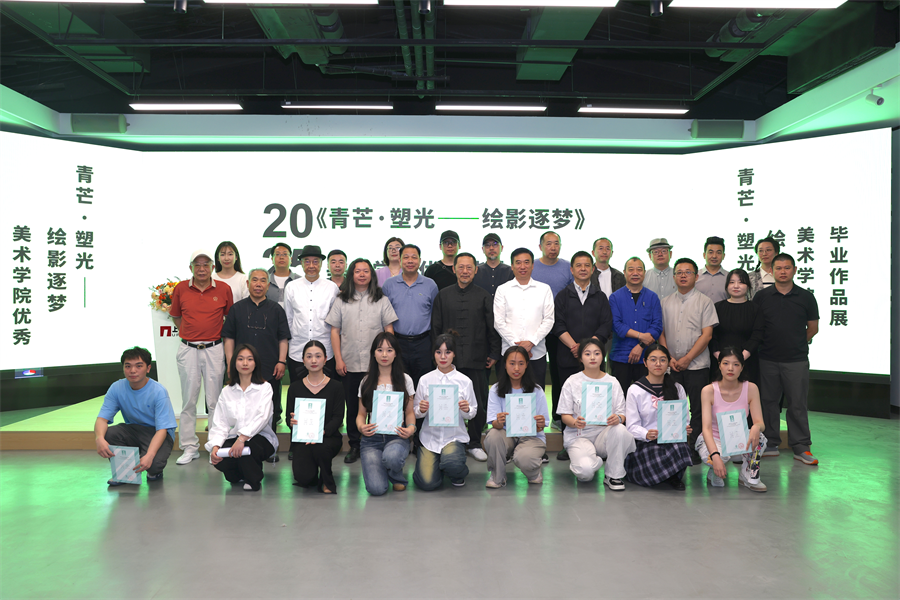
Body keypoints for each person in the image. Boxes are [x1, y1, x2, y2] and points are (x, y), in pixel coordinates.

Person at [431, 252, 502, 462]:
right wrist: (437, 355)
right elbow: (435, 327)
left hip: (476, 356)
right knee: (447, 400)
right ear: (454, 269)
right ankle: (450, 440)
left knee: (477, 401)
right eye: (460, 267)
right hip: (448, 360)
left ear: (475, 270)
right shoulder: (443, 295)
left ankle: (474, 443)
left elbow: (492, 327)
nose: (464, 271)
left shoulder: (483, 296)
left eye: (469, 267)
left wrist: (494, 353)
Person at [326, 258, 398, 464]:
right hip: (349, 363)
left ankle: (378, 441)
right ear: (352, 274)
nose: (362, 275)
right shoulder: (341, 300)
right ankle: (355, 445)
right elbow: (335, 331)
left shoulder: (381, 299)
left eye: (366, 271)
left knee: (377, 404)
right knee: (352, 406)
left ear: (371, 275)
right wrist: (338, 359)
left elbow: (389, 330)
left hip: (376, 365)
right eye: (358, 271)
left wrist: (388, 357)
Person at [753, 253, 819, 465]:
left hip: (796, 360)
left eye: (787, 268)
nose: (783, 271)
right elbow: (756, 327)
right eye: (778, 268)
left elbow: (813, 328)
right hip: (767, 359)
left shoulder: (806, 297)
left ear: (795, 270)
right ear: (771, 271)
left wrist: (795, 342)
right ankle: (770, 443)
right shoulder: (762, 297)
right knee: (768, 402)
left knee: (797, 403)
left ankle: (801, 446)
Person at [169, 249, 233, 465]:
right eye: (198, 265)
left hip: (214, 348)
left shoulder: (224, 289)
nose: (202, 269)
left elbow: (228, 318)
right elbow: (176, 316)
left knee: (215, 401)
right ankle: (189, 447)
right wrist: (192, 334)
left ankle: (215, 446)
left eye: (206, 265)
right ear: (191, 268)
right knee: (189, 401)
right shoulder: (181, 288)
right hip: (188, 348)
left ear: (213, 268)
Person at [552, 250, 613, 460]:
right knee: (567, 401)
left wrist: (588, 348)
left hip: (594, 359)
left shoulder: (600, 296)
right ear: (572, 269)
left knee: (595, 399)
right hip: (567, 355)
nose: (583, 269)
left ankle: (597, 440)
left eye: (587, 265)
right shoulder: (563, 295)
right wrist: (575, 347)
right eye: (578, 265)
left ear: (593, 269)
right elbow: (558, 324)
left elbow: (606, 324)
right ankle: (567, 444)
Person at [222, 267, 290, 449]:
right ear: (248, 283)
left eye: (262, 280)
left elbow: (283, 338)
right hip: (242, 368)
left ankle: (268, 447)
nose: (258, 284)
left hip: (270, 367)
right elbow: (229, 338)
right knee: (242, 407)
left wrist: (281, 361)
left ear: (268, 285)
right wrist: (230, 363)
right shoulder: (237, 309)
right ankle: (240, 443)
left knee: (269, 409)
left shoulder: (276, 309)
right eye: (254, 280)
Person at [659, 257, 718, 458]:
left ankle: (694, 447)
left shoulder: (705, 302)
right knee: (672, 407)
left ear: (696, 276)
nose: (683, 276)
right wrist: (669, 358)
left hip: (698, 365)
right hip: (671, 365)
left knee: (698, 409)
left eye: (688, 272)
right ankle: (674, 446)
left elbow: (707, 335)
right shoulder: (665, 302)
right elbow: (661, 333)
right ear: (674, 276)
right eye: (679, 272)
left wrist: (687, 358)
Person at [557, 337, 635, 490]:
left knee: (620, 429)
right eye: (587, 354)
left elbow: (622, 413)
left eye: (597, 353)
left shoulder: (612, 382)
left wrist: (618, 418)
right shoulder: (572, 381)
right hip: (579, 435)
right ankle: (594, 461)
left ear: (603, 356)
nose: (592, 357)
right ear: (580, 358)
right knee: (585, 474)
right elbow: (564, 415)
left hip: (604, 434)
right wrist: (575, 422)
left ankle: (613, 475)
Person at [95, 347, 176, 486]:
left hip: (158, 433)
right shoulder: (116, 388)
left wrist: (149, 455)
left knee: (153, 465)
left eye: (139, 366)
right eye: (128, 366)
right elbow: (102, 419)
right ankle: (124, 473)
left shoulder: (159, 391)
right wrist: (99, 438)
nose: (132, 371)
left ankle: (153, 468)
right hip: (134, 430)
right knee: (109, 433)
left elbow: (162, 430)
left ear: (148, 368)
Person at [206, 344, 279, 492]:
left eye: (250, 359)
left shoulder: (265, 388)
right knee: (221, 459)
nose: (245, 363)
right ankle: (241, 473)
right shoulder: (227, 391)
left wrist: (242, 439)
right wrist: (215, 446)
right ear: (234, 363)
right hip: (235, 438)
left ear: (256, 363)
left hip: (261, 438)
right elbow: (220, 423)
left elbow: (262, 418)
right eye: (240, 359)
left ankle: (254, 480)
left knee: (247, 449)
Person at [623, 343, 692, 490]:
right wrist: (646, 434)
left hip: (670, 439)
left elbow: (685, 418)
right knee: (655, 453)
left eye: (662, 360)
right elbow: (631, 426)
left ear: (668, 363)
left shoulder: (677, 388)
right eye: (653, 360)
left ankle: (672, 477)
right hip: (645, 442)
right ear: (645, 362)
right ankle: (668, 475)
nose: (658, 364)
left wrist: (684, 428)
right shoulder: (635, 390)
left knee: (681, 447)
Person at [413, 333, 477, 490]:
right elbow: (415, 411)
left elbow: (473, 411)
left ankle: (456, 471)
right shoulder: (425, 380)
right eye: (438, 352)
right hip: (430, 438)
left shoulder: (465, 381)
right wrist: (421, 410)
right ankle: (439, 468)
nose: (443, 357)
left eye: (448, 352)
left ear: (454, 354)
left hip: (453, 437)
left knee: (453, 464)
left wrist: (466, 409)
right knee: (427, 483)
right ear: (433, 354)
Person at [697, 348, 768, 492]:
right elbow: (706, 428)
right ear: (719, 365)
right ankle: (714, 470)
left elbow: (760, 423)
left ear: (742, 367)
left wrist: (756, 427)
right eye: (726, 363)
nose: (730, 368)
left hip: (737, 439)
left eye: (736, 364)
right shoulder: (708, 391)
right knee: (718, 458)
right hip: (714, 440)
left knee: (760, 438)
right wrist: (715, 455)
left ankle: (748, 473)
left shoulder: (751, 388)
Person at [356, 332, 417, 496]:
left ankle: (396, 475)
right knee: (376, 489)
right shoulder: (366, 381)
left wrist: (411, 428)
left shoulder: (405, 380)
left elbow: (409, 412)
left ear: (396, 353)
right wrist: (361, 427)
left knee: (392, 457)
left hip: (397, 436)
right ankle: (385, 468)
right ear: (373, 353)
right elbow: (361, 414)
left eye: (389, 350)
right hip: (371, 439)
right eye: (379, 350)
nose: (384, 355)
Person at [483, 346, 549, 487]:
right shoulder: (495, 389)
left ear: (527, 365)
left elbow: (541, 427)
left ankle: (534, 472)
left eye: (521, 363)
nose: (516, 368)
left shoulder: (537, 390)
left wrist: (540, 424)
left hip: (531, 436)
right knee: (493, 436)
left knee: (525, 458)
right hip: (506, 433)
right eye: (512, 363)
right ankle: (497, 476)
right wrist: (499, 422)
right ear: (505, 365)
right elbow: (494, 424)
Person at [531, 231, 573, 447]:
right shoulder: (532, 266)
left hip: (560, 328)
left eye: (556, 243)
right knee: (534, 373)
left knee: (558, 372)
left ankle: (558, 416)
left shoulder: (567, 267)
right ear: (541, 247)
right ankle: (530, 417)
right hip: (535, 328)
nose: (553, 247)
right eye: (548, 243)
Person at [286, 341, 344, 494]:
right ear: (303, 360)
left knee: (321, 447)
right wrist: (292, 422)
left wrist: (322, 432)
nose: (313, 360)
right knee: (304, 478)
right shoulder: (295, 387)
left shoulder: (336, 386)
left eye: (318, 356)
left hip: (328, 437)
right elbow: (288, 417)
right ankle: (313, 474)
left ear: (325, 359)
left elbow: (338, 417)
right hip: (303, 439)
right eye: (309, 356)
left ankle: (327, 480)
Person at [493, 247, 554, 388]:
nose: (522, 266)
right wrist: (518, 347)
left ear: (532, 265)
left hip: (536, 353)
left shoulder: (544, 289)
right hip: (509, 354)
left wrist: (531, 342)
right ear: (512, 266)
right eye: (518, 263)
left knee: (536, 393)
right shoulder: (502, 289)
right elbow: (498, 322)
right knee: (508, 393)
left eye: (526, 262)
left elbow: (549, 320)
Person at [381, 244, 439, 386]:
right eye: (406, 257)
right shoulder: (389, 285)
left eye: (414, 257)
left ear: (420, 261)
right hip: (397, 342)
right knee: (399, 383)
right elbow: (383, 315)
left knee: (424, 383)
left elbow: (435, 314)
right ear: (400, 260)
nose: (410, 261)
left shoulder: (430, 285)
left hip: (423, 343)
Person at [283, 245, 340, 383]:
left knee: (325, 390)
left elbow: (336, 322)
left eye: (315, 261)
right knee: (297, 390)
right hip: (297, 351)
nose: (311, 265)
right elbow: (289, 319)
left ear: (321, 264)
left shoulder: (332, 287)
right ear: (301, 263)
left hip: (325, 350)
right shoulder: (291, 287)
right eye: (307, 261)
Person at [608, 257, 662, 394]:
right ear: (624, 273)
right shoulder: (615, 297)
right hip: (620, 357)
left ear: (644, 273)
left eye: (639, 269)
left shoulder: (653, 297)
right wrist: (641, 336)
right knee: (620, 398)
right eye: (631, 270)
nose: (635, 273)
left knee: (647, 398)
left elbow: (657, 326)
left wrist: (641, 346)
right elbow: (616, 325)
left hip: (646, 358)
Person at [710, 268, 763, 385]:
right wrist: (722, 359)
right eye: (732, 282)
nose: (736, 286)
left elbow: (757, 335)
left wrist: (739, 359)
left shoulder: (755, 309)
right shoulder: (717, 307)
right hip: (720, 362)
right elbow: (711, 335)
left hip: (747, 361)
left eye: (741, 282)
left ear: (748, 286)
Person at [473, 233, 513, 298]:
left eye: (495, 244)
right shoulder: (476, 271)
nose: (491, 248)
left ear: (502, 248)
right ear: (483, 249)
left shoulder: (511, 271)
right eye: (487, 245)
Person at [696, 236, 729, 303]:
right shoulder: (695, 276)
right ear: (704, 255)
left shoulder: (730, 277)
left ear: (723, 256)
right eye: (711, 252)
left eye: (718, 253)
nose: (714, 256)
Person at [267, 242, 300, 307]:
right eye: (278, 254)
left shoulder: (299, 280)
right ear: (272, 259)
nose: (281, 257)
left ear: (291, 259)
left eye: (285, 254)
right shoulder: (265, 280)